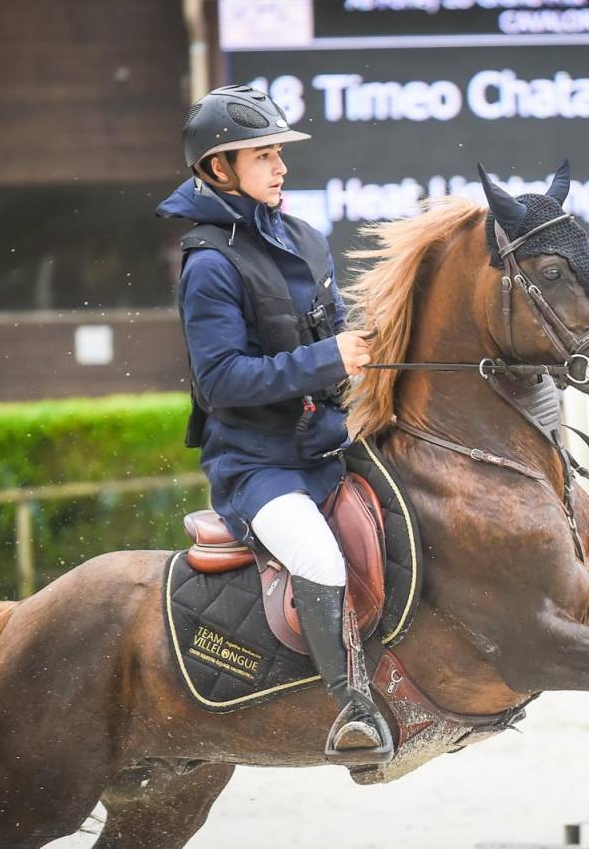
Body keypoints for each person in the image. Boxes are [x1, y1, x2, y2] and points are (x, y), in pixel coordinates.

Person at [156, 85, 392, 763]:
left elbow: (341, 332)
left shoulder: (306, 238)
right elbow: (220, 381)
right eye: (263, 156)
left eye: (279, 154)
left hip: (328, 443)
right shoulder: (207, 264)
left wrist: (371, 351)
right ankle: (352, 710)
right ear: (218, 169)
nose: (280, 168)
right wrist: (327, 357)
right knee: (318, 558)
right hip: (258, 466)